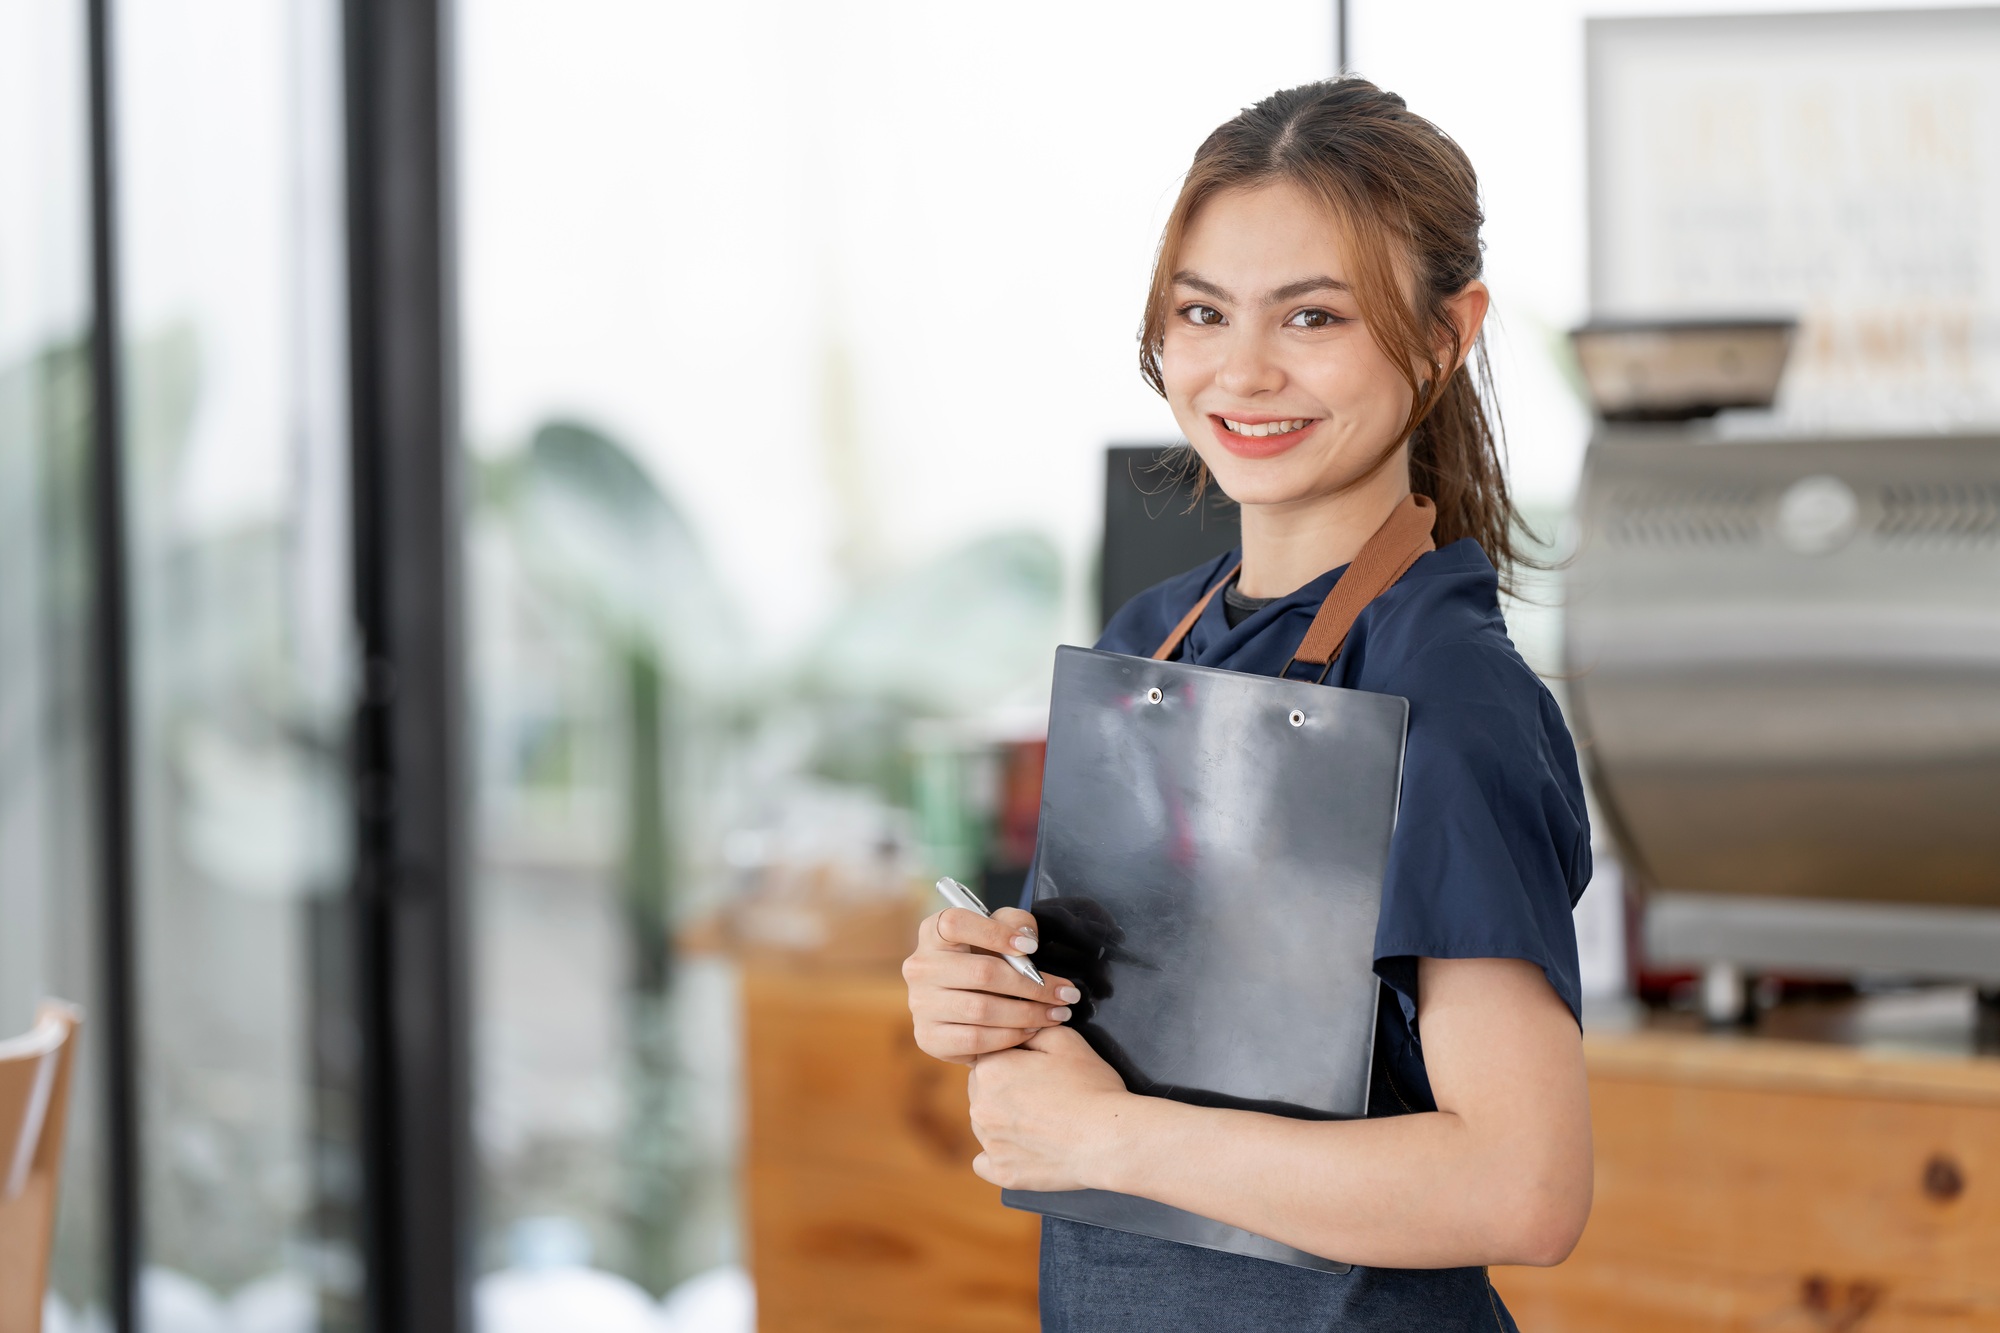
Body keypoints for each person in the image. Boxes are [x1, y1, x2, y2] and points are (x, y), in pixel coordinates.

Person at [902, 78, 1593, 1331]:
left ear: (1446, 335)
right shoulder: (1145, 644)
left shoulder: (1444, 696)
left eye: (1312, 316)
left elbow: (1522, 1183)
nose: (1243, 369)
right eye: (1203, 311)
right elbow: (1082, 1076)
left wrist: (1111, 1136)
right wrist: (981, 998)